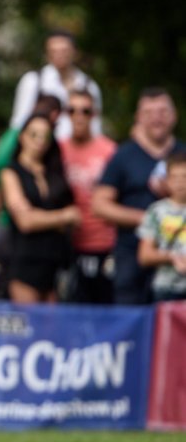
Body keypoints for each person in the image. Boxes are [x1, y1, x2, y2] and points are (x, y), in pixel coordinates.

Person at [93, 88, 186, 304]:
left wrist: (176, 195)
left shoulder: (182, 155)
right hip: (132, 254)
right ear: (138, 118)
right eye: (149, 112)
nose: (156, 118)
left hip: (179, 264)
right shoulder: (123, 156)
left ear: (174, 115)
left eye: (163, 111)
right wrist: (149, 218)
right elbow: (99, 204)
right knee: (131, 319)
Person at [0, 114, 80, 303]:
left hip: (55, 263)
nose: (39, 141)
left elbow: (76, 218)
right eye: (33, 134)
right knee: (30, 326)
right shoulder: (11, 172)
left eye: (45, 136)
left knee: (50, 330)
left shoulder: (54, 172)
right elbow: (26, 222)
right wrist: (62, 217)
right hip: (24, 261)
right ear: (22, 137)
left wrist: (43, 217)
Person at [58, 90, 117, 303]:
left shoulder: (109, 150)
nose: (79, 115)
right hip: (67, 246)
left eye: (85, 110)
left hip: (105, 243)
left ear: (95, 114)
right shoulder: (58, 150)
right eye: (72, 110)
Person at [9, 30, 102, 139]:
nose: (59, 55)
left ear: (75, 52)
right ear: (47, 54)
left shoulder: (89, 86)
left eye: (64, 51)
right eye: (53, 51)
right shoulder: (34, 81)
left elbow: (95, 127)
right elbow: (19, 123)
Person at [137, 153, 186, 302]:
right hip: (165, 289)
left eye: (184, 177)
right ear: (166, 181)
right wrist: (172, 257)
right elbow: (144, 256)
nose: (180, 183)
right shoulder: (156, 211)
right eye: (174, 177)